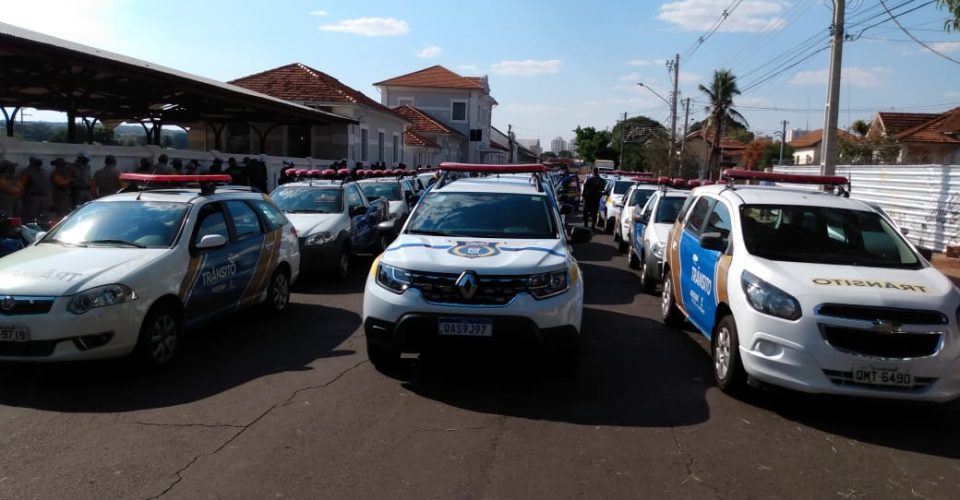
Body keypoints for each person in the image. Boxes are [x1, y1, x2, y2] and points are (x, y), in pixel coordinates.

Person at [18, 156, 49, 222]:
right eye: (37, 160)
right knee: (31, 217)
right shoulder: (26, 172)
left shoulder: (42, 171)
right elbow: (21, 186)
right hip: (32, 198)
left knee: (43, 216)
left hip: (43, 197)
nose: (40, 162)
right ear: (32, 161)